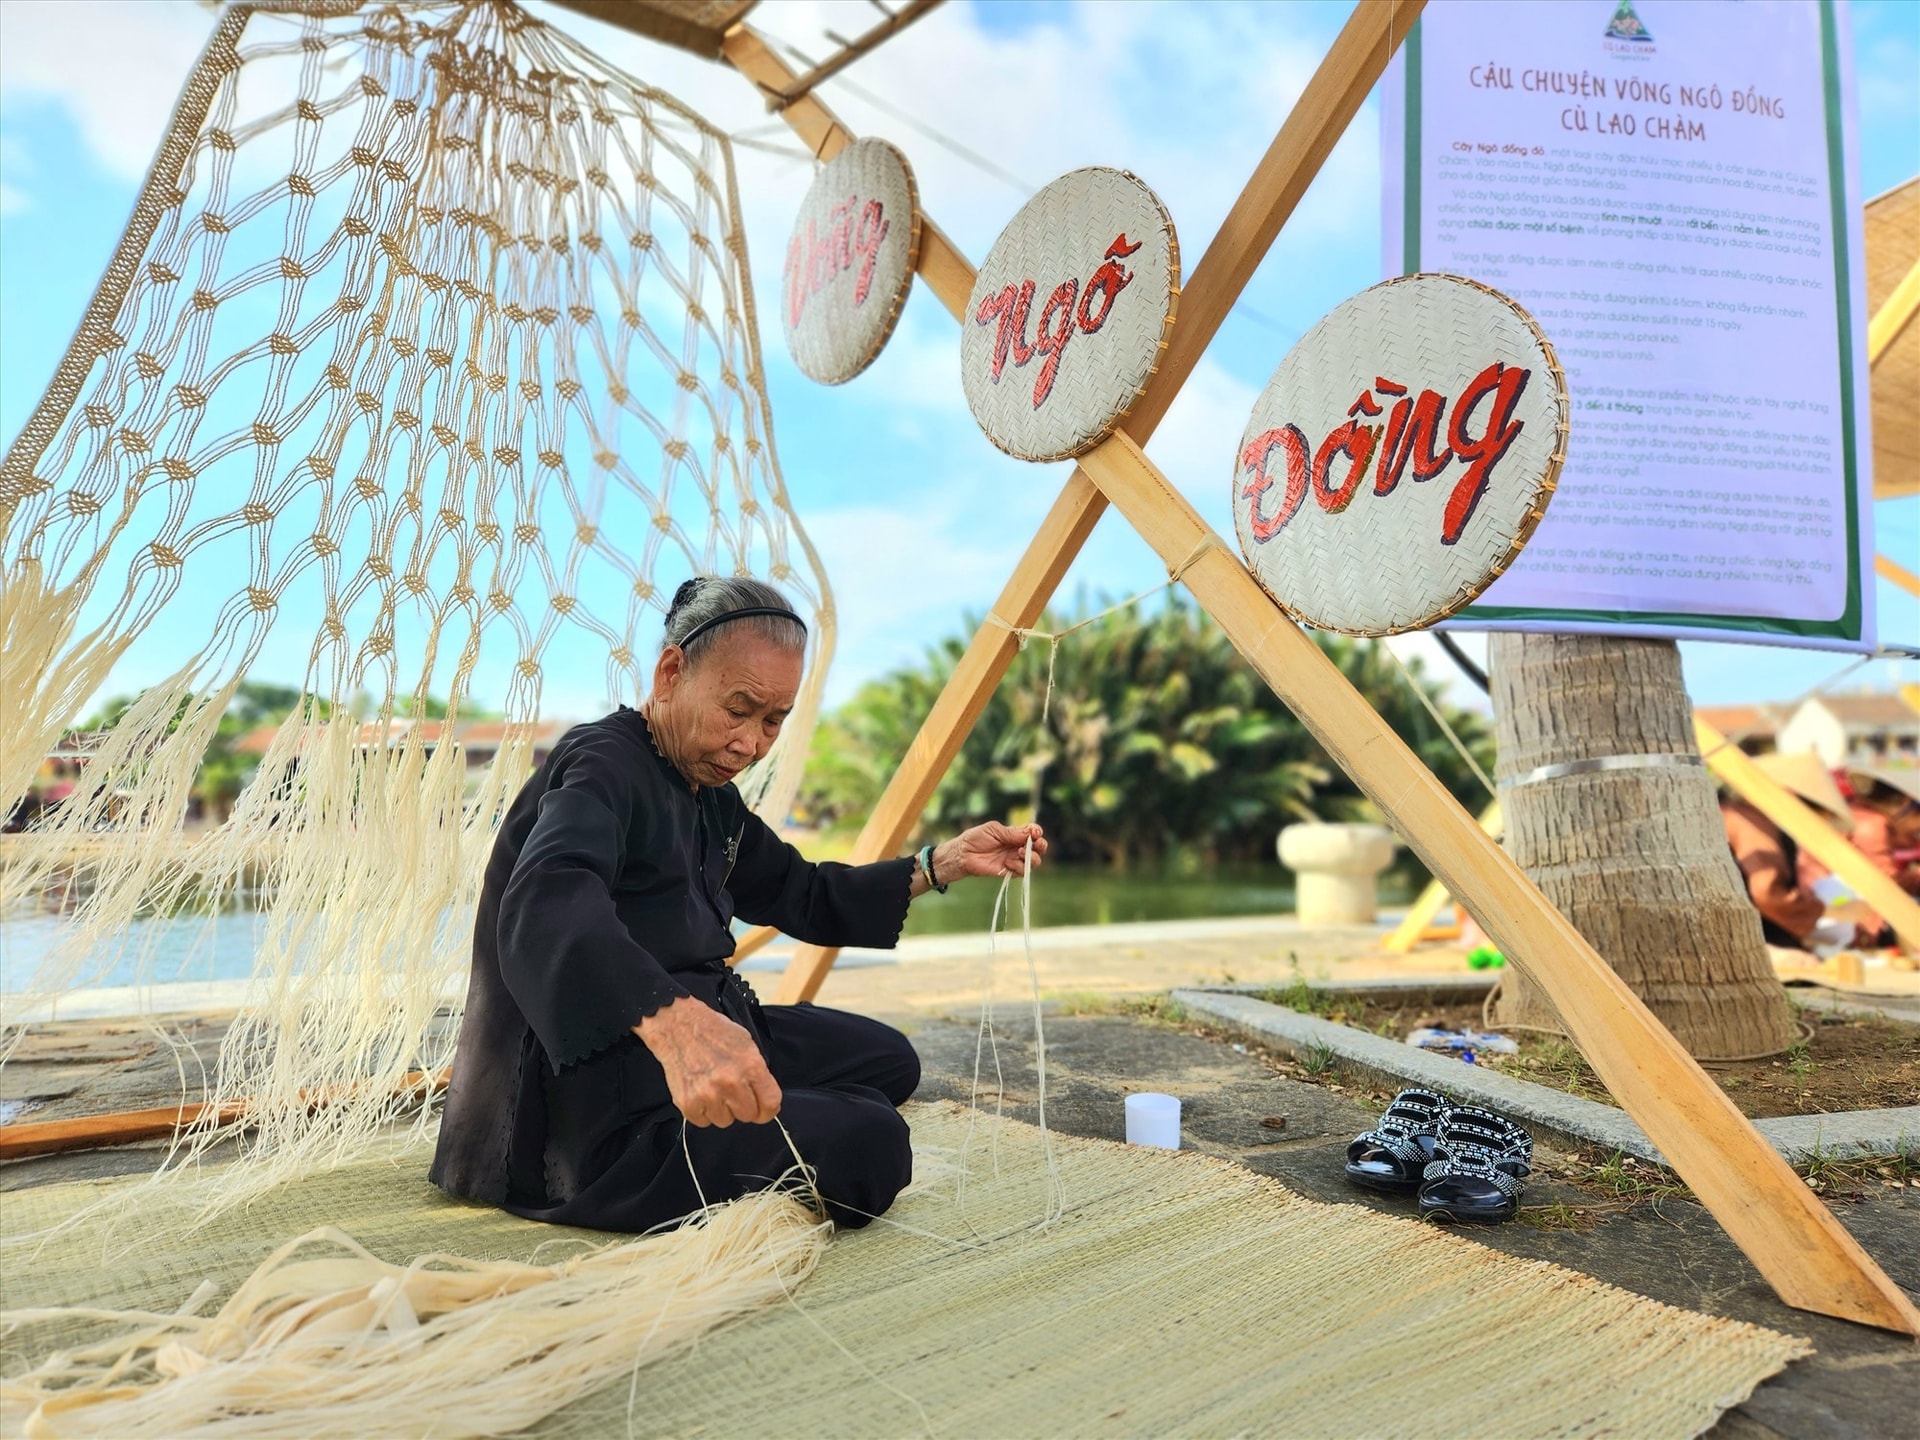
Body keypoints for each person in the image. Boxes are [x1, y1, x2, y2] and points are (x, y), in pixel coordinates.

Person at [431, 577, 1047, 1232]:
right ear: (671, 673)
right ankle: (751, 1124)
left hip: (710, 1021)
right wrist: (675, 1024)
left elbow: (803, 892)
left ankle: (770, 1108)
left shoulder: (709, 792)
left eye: (773, 721)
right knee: (871, 1141)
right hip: (583, 1109)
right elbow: (547, 900)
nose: (751, 744)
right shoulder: (602, 761)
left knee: (890, 1059)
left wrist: (940, 864)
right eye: (739, 709)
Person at [1719, 751, 1853, 951]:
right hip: (1745, 939)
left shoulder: (1737, 813)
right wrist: (1818, 910)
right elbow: (1767, 892)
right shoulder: (1753, 823)